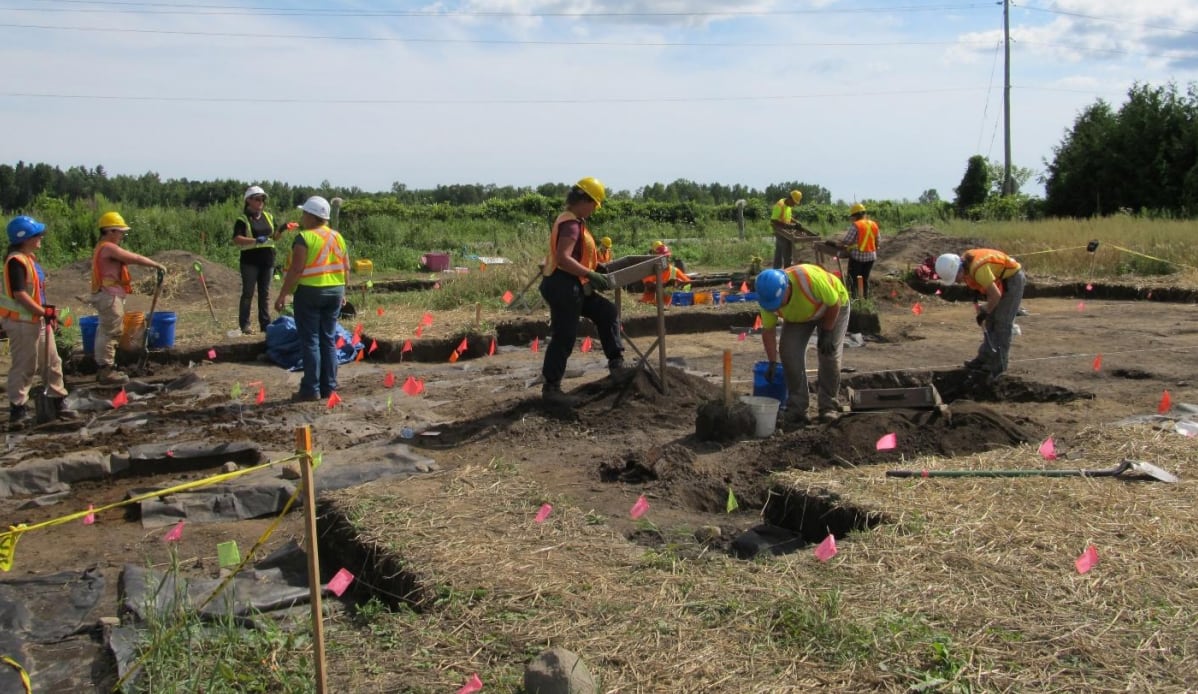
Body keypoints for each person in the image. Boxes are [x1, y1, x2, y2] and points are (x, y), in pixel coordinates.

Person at [538, 177, 624, 405]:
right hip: (563, 286)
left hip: (573, 284)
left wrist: (596, 267)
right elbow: (564, 258)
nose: (595, 208)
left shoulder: (574, 220)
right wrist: (591, 274)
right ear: (583, 200)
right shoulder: (571, 224)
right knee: (564, 336)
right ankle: (551, 388)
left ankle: (617, 364)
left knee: (606, 312)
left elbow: (576, 257)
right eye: (594, 203)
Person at [2, 216, 78, 424]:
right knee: (25, 366)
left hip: (37, 320)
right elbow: (20, 294)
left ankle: (57, 400)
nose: (41, 237)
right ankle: (18, 409)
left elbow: (36, 294)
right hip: (21, 323)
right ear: (25, 238)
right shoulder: (16, 262)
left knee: (53, 362)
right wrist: (43, 312)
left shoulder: (29, 259)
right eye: (37, 234)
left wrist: (47, 313)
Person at [754, 264, 851, 425]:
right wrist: (772, 361)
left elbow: (834, 303)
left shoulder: (809, 279)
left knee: (829, 354)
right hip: (801, 315)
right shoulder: (768, 299)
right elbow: (768, 331)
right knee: (789, 352)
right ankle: (797, 408)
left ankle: (828, 407)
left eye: (778, 302)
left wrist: (827, 332)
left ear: (786, 288)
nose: (776, 307)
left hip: (832, 308)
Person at [274, 196, 349, 401]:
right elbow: (346, 267)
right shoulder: (337, 237)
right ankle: (329, 388)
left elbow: (297, 269)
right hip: (335, 291)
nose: (302, 217)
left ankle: (311, 389)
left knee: (311, 341)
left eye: (304, 213)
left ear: (311, 216)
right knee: (328, 339)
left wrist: (283, 294)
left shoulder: (304, 238)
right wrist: (344, 292)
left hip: (310, 293)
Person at [89, 212, 168, 385]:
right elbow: (134, 258)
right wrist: (155, 264)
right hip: (109, 295)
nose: (122, 235)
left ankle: (105, 367)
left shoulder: (102, 247)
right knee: (111, 332)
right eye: (120, 232)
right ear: (110, 231)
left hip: (108, 294)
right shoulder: (108, 248)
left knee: (106, 330)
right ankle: (106, 370)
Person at [935, 249, 1026, 380]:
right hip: (1000, 280)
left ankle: (998, 366)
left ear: (959, 269)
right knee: (990, 322)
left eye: (955, 278)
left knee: (1002, 323)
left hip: (1012, 280)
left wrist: (985, 312)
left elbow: (995, 295)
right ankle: (984, 358)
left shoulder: (978, 270)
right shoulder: (965, 262)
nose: (957, 282)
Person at [233, 185, 296, 335]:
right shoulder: (242, 219)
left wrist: (282, 229)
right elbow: (237, 239)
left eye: (262, 199)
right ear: (248, 200)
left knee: (264, 294)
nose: (261, 201)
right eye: (257, 199)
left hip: (267, 260)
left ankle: (265, 324)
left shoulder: (268, 216)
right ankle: (245, 325)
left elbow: (274, 237)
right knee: (248, 293)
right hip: (250, 262)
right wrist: (255, 241)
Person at [839, 203, 879, 298]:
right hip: (871, 257)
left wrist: (840, 244)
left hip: (858, 258)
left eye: (852, 216)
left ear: (855, 216)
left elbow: (847, 241)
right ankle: (865, 298)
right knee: (864, 279)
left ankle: (854, 299)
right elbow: (878, 241)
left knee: (853, 279)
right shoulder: (873, 224)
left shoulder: (856, 225)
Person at [770, 190, 807, 269]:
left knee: (779, 253)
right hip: (780, 231)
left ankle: (776, 270)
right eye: (793, 203)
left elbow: (789, 218)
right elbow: (773, 220)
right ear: (790, 198)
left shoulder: (788, 206)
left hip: (785, 231)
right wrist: (788, 226)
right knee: (787, 254)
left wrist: (796, 222)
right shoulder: (780, 205)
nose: (793, 205)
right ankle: (787, 272)